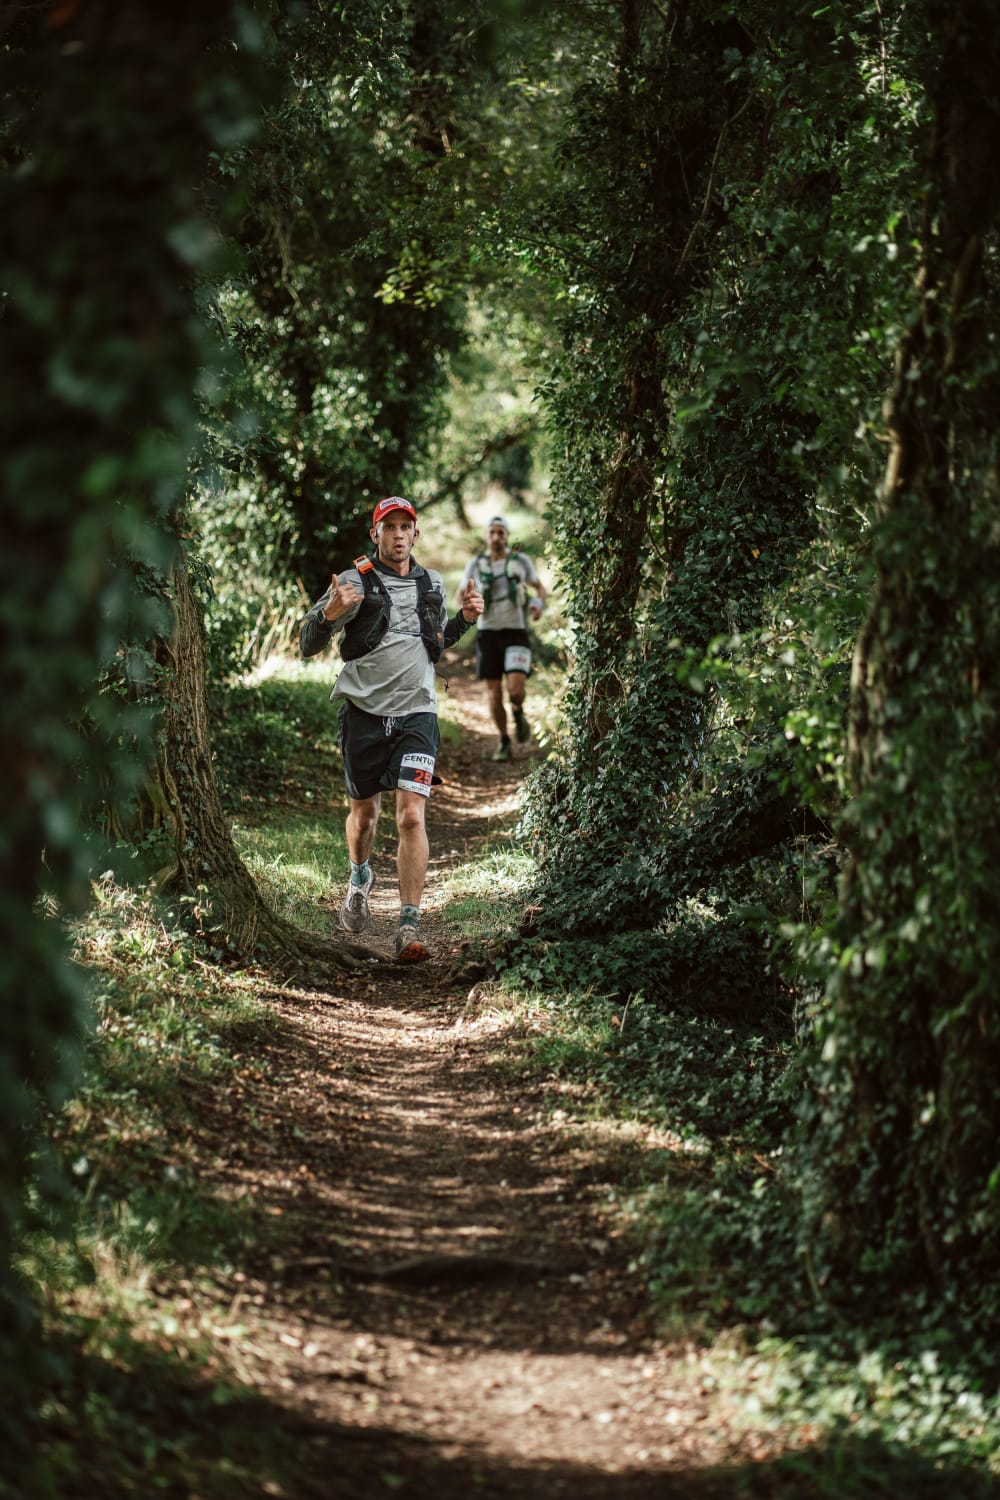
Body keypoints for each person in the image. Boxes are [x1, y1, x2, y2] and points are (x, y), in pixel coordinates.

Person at [300, 496, 484, 962]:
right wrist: (329, 614)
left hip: (418, 713)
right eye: (389, 527)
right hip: (363, 712)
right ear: (375, 534)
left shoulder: (432, 582)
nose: (398, 534)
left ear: (416, 534)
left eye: (406, 527)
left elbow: (434, 643)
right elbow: (306, 643)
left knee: (411, 816)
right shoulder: (353, 581)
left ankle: (407, 926)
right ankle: (359, 876)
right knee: (364, 817)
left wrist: (464, 620)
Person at [457, 514, 546, 762]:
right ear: (486, 536)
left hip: (516, 631)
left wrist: (537, 605)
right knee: (494, 693)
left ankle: (518, 710)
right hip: (488, 634)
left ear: (506, 536)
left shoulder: (520, 561)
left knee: (515, 690)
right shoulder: (476, 564)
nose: (496, 537)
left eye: (501, 532)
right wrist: (467, 606)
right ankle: (504, 740)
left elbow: (539, 587)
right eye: (492, 532)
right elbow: (461, 594)